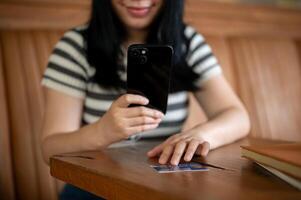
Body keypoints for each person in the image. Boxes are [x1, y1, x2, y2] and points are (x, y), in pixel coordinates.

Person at [41, 0, 250, 199]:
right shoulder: (76, 47)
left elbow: (238, 116)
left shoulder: (187, 43)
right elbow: (50, 149)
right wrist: (103, 131)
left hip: (164, 185)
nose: (139, 1)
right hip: (94, 187)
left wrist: (201, 134)